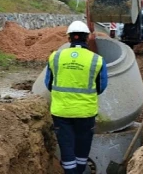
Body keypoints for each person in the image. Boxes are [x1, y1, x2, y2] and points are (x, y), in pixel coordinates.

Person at [44, 21, 108, 174]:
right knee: (82, 148)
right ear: (87, 39)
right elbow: (101, 86)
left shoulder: (55, 57)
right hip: (86, 112)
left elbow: (49, 83)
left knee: (67, 150)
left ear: (69, 39)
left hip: (61, 112)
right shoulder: (97, 60)